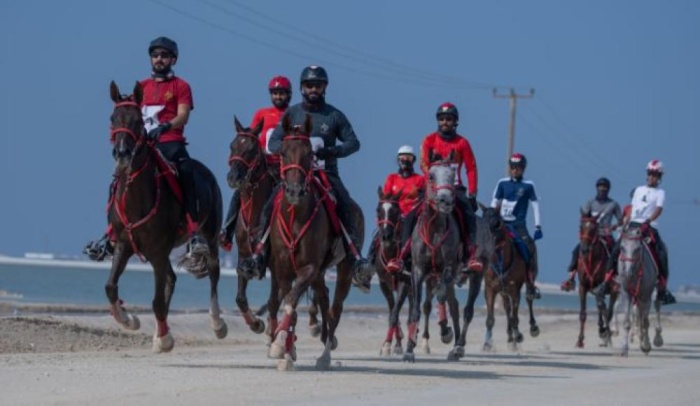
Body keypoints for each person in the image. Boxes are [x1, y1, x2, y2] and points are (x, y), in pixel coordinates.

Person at [240, 65, 370, 289]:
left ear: (324, 88)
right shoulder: (292, 113)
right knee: (269, 206)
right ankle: (259, 254)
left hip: (326, 173)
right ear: (302, 88)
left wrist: (333, 151)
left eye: (317, 85)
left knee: (347, 206)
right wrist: (291, 148)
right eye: (309, 85)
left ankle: (357, 259)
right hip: (296, 176)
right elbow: (273, 143)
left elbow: (353, 143)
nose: (313, 89)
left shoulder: (334, 115)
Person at [84, 36, 206, 260]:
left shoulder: (181, 86)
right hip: (144, 145)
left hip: (170, 142)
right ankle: (110, 235)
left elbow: (183, 114)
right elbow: (130, 115)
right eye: (155, 55)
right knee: (118, 179)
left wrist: (166, 126)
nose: (159, 59)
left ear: (173, 60)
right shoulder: (141, 87)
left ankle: (193, 230)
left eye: (164, 56)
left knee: (187, 171)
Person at [218, 75, 292, 251]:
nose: (278, 97)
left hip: (282, 166)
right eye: (275, 94)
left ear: (288, 95)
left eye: (281, 93)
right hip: (263, 163)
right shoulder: (261, 114)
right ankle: (227, 231)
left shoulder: (293, 114)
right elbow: (252, 139)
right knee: (240, 191)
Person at [593, 160, 676, 305]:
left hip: (650, 227)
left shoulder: (660, 193)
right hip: (632, 226)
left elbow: (658, 210)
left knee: (662, 253)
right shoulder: (638, 190)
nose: (652, 177)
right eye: (650, 174)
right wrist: (624, 224)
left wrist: (648, 222)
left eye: (655, 175)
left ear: (660, 177)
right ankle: (605, 283)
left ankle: (663, 290)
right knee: (615, 250)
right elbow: (632, 208)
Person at [420, 102, 482, 277]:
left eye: (449, 119)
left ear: (455, 122)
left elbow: (471, 167)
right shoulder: (429, 140)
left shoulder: (462, 143)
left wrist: (473, 193)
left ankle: (470, 254)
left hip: (455, 189)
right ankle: (404, 254)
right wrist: (433, 180)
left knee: (468, 214)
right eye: (442, 119)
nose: (445, 122)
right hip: (433, 188)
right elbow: (424, 164)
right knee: (411, 213)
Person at [491, 153, 543, 300]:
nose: (515, 170)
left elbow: (535, 205)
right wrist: (490, 222)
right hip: (501, 225)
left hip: (519, 226)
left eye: (518, 168)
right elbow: (494, 203)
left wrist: (538, 226)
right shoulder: (502, 183)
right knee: (485, 245)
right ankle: (471, 272)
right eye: (513, 167)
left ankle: (530, 285)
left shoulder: (528, 185)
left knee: (530, 248)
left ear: (523, 168)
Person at [366, 145, 426, 273]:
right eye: (402, 157)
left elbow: (423, 199)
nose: (405, 160)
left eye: (408, 157)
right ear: (398, 160)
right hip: (394, 216)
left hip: (412, 216)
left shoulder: (420, 179)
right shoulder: (391, 178)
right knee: (377, 236)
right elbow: (385, 199)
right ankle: (368, 266)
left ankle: (410, 262)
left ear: (413, 160)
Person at [560, 177, 623, 291]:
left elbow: (620, 220)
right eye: (600, 186)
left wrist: (613, 227)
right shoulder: (590, 203)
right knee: (577, 250)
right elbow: (584, 217)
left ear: (608, 189)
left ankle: (615, 278)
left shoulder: (613, 204)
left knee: (615, 253)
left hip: (605, 235)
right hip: (591, 235)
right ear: (596, 188)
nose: (602, 189)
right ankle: (571, 277)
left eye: (605, 187)